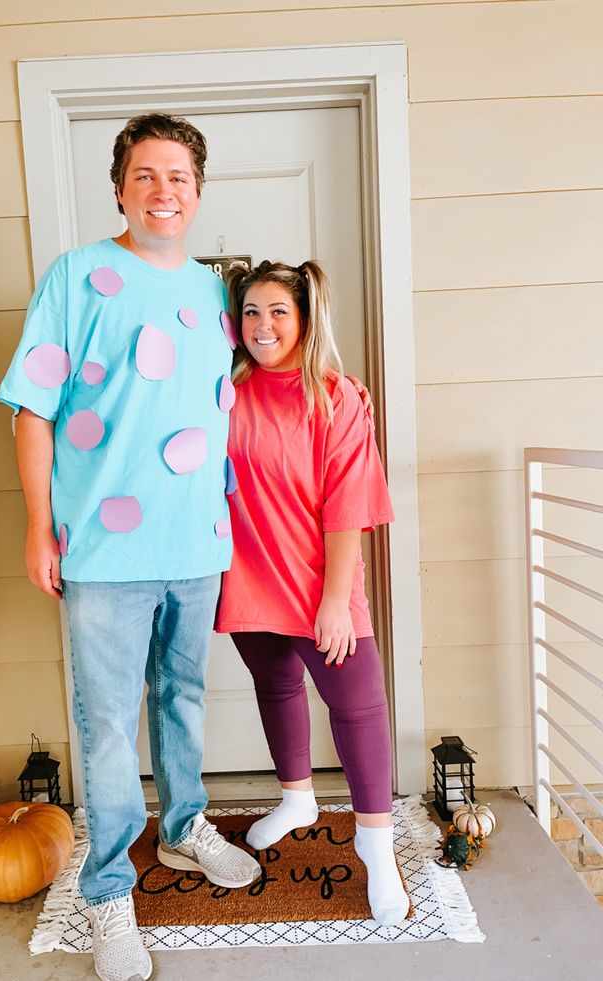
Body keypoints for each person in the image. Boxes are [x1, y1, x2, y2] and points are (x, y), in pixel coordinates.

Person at [0, 113, 260, 981]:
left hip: (196, 541)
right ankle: (109, 892)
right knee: (107, 725)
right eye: (145, 175)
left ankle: (185, 830)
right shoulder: (76, 277)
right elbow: (34, 409)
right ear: (119, 188)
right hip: (102, 552)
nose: (163, 191)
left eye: (178, 177)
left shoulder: (215, 295)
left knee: (182, 699)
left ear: (198, 191)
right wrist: (40, 524)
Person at [215, 259, 410, 926]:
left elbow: (348, 503)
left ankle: (375, 847)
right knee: (275, 685)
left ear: (303, 318)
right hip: (246, 572)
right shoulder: (223, 390)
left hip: (319, 580)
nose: (263, 325)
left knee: (357, 708)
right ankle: (296, 797)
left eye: (277, 311)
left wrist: (334, 598)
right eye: (250, 311)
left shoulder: (335, 397)